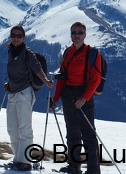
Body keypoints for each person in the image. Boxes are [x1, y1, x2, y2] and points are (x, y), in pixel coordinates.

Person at [50, 22, 103, 174]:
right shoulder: (68, 52)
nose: (77, 35)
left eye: (80, 32)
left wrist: (85, 98)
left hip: (83, 95)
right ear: (71, 34)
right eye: (74, 32)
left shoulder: (93, 53)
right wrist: (56, 98)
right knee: (72, 131)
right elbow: (62, 77)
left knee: (88, 134)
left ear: (85, 35)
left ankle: (93, 170)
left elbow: (96, 79)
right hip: (68, 94)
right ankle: (74, 166)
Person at [4, 25, 54, 171]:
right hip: (12, 93)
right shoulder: (10, 52)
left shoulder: (28, 54)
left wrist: (46, 81)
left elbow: (37, 68)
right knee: (12, 129)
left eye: (19, 35)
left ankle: (25, 161)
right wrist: (9, 84)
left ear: (24, 37)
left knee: (24, 128)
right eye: (14, 35)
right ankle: (17, 159)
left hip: (24, 94)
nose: (16, 38)